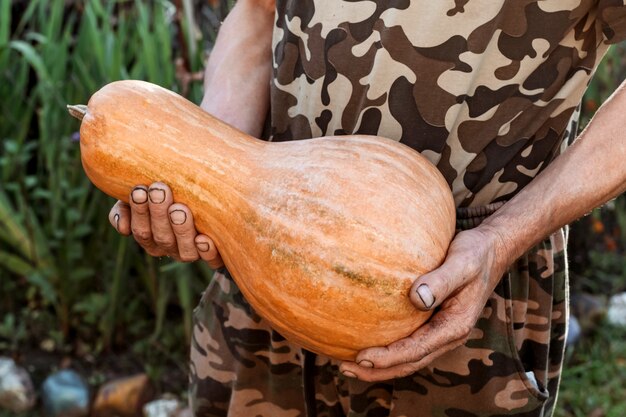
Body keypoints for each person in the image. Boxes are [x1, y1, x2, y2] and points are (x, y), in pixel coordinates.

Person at [108, 1, 626, 416]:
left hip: (460, 285)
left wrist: (503, 238)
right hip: (259, 262)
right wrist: (212, 175)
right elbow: (260, 10)